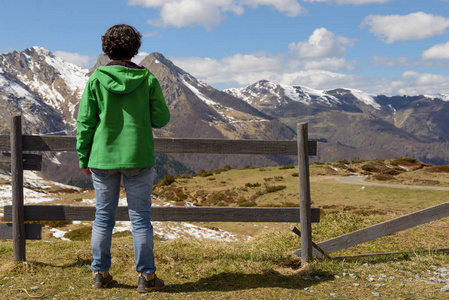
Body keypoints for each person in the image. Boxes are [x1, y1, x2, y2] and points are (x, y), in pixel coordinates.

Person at [76, 24, 170, 293]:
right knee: (140, 218)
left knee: (103, 218)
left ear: (106, 49)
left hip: (102, 159)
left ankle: (100, 273)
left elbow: (85, 123)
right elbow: (162, 119)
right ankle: (147, 278)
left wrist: (84, 157)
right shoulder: (148, 79)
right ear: (135, 49)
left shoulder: (95, 79)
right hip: (138, 156)